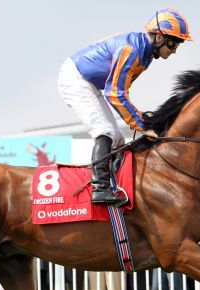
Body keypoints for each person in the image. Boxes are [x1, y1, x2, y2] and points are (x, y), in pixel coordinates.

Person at [58, 8, 192, 205]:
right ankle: (100, 188)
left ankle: (116, 184)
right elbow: (114, 93)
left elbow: (119, 92)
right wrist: (141, 125)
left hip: (92, 83)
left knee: (118, 138)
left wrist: (138, 117)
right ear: (157, 36)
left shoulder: (146, 56)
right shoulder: (132, 50)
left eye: (177, 44)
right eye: (172, 43)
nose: (174, 50)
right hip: (76, 78)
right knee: (105, 132)